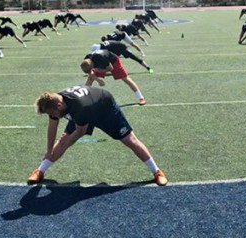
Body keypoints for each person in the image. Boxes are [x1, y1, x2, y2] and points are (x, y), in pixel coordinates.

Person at [28, 85, 168, 186]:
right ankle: (40, 170)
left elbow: (80, 132)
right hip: (86, 109)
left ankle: (157, 171)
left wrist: (68, 138)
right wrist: (49, 150)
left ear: (59, 106)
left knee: (130, 140)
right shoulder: (56, 101)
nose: (51, 116)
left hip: (105, 109)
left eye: (51, 113)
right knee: (62, 142)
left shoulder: (79, 108)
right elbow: (52, 127)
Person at [81, 48, 146, 104]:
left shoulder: (101, 58)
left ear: (92, 65)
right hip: (99, 65)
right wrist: (98, 80)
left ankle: (141, 97)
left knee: (125, 78)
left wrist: (98, 71)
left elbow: (110, 68)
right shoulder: (86, 59)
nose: (90, 72)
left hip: (113, 62)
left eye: (91, 70)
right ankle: (83, 99)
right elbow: (90, 73)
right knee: (90, 78)